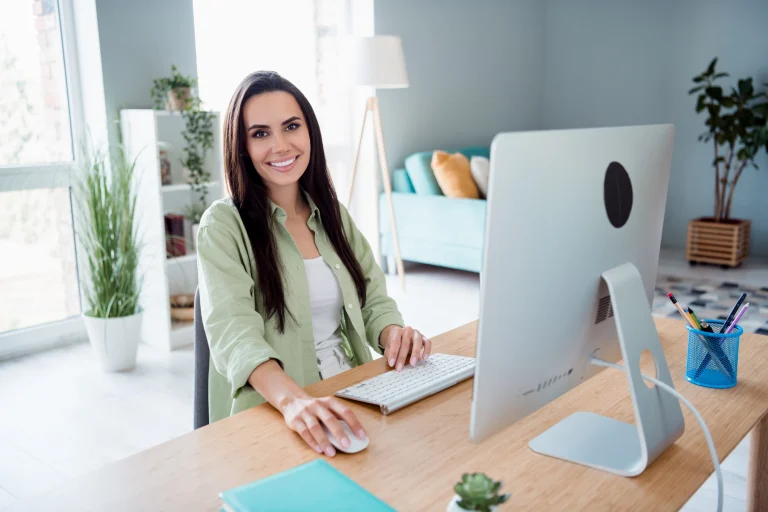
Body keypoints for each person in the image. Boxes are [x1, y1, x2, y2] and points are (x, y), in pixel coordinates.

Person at [196, 71, 431, 457]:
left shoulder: (333, 212)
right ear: (240, 146)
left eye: (291, 126)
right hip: (277, 408)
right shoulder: (223, 226)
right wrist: (295, 403)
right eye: (260, 133)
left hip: (352, 392)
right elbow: (233, 334)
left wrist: (395, 336)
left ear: (310, 132)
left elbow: (374, 298)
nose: (281, 145)